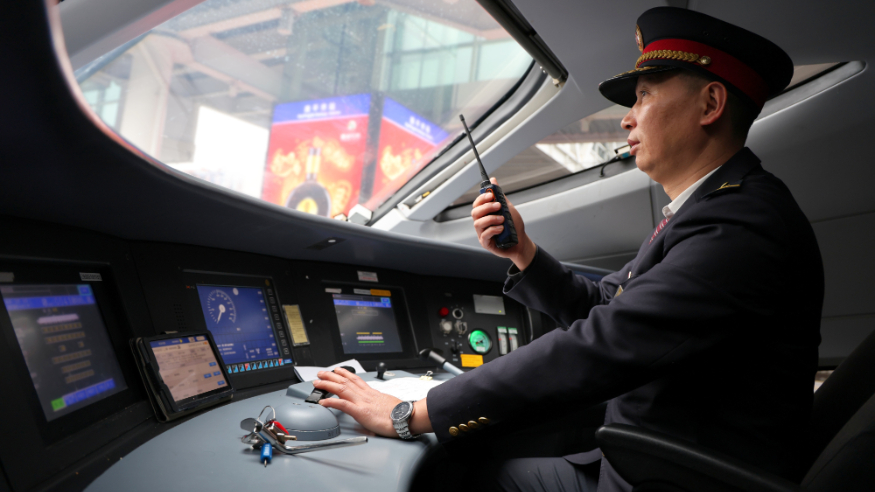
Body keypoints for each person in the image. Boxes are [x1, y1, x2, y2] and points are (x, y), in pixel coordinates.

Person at [313, 7, 824, 491]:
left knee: (457, 480)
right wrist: (524, 253)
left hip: (673, 477)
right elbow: (608, 306)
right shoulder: (712, 212)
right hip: (651, 460)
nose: (627, 119)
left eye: (643, 96)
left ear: (710, 105)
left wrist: (409, 413)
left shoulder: (740, 226)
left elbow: (601, 343)